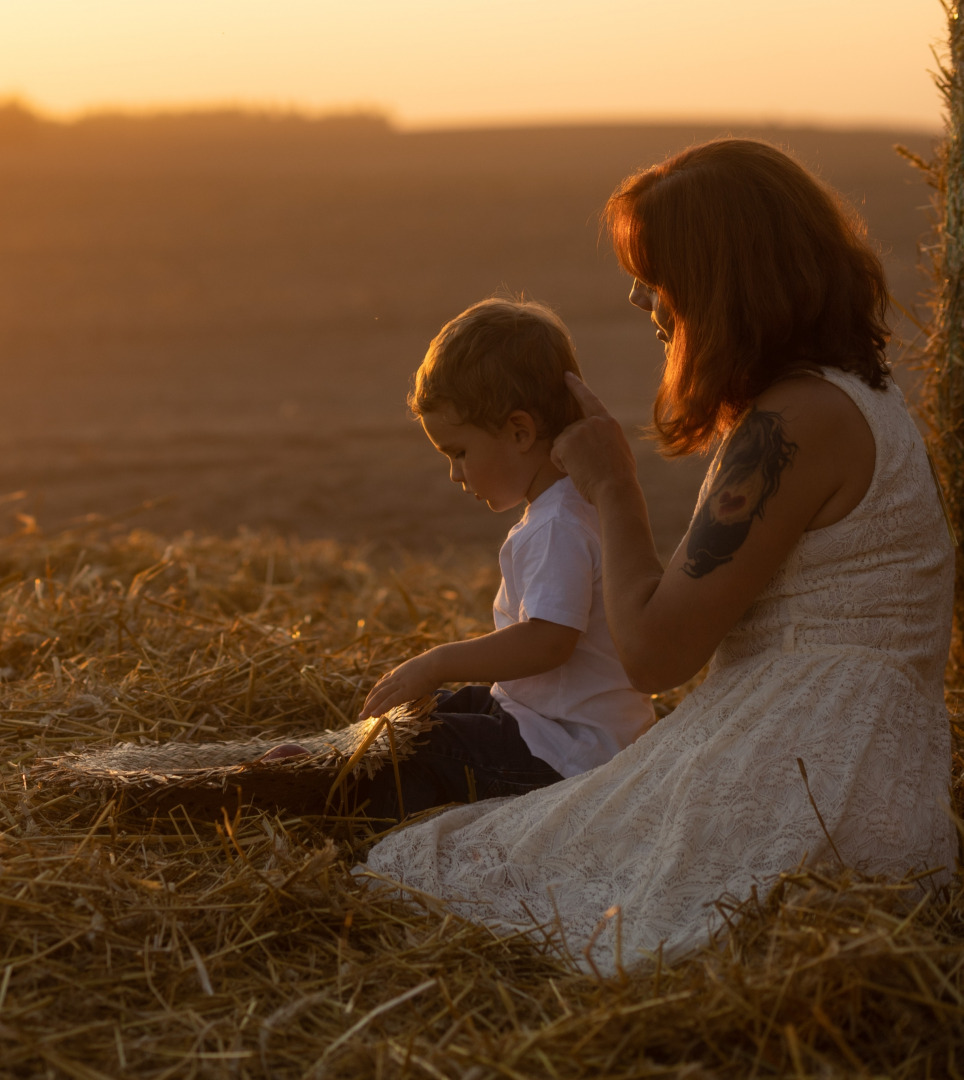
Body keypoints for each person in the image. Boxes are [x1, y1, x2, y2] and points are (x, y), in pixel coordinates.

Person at [361, 138, 956, 970]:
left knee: (455, 864)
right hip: (847, 748)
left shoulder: (792, 425)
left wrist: (612, 485)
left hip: (813, 760)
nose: (638, 292)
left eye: (656, 269)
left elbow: (653, 654)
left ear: (724, 282)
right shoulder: (852, 397)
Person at [354, 297, 654, 821]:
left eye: (459, 452)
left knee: (422, 747)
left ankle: (339, 802)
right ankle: (345, 765)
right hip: (546, 723)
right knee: (426, 716)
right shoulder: (571, 505)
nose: (455, 474)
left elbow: (548, 640)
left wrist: (437, 662)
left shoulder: (557, 523)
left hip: (565, 753)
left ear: (519, 432)